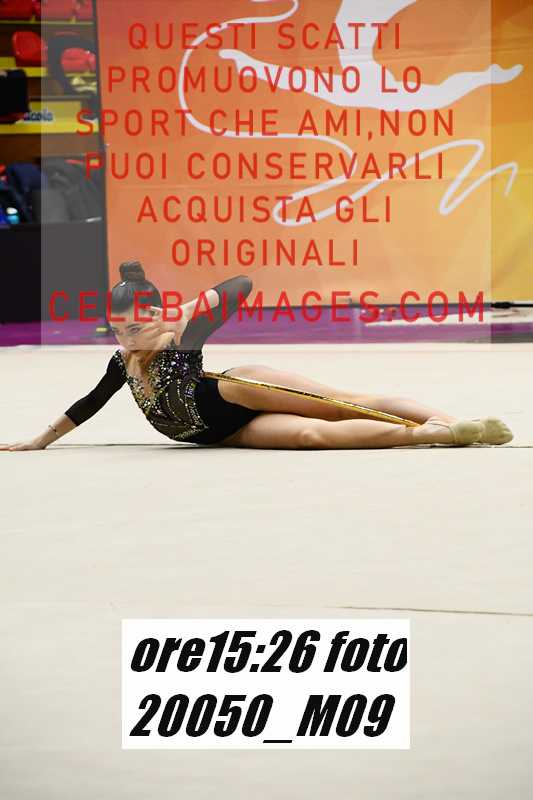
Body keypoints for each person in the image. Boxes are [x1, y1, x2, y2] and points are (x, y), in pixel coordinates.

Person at [1, 261, 513, 452]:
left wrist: (181, 312)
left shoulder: (181, 337)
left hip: (235, 391)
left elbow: (239, 286)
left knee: (340, 405)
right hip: (223, 433)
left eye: (134, 327)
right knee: (314, 437)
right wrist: (40, 440)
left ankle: (454, 421)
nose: (126, 338)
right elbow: (90, 403)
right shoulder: (122, 363)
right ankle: (433, 435)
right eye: (117, 330)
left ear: (156, 316)